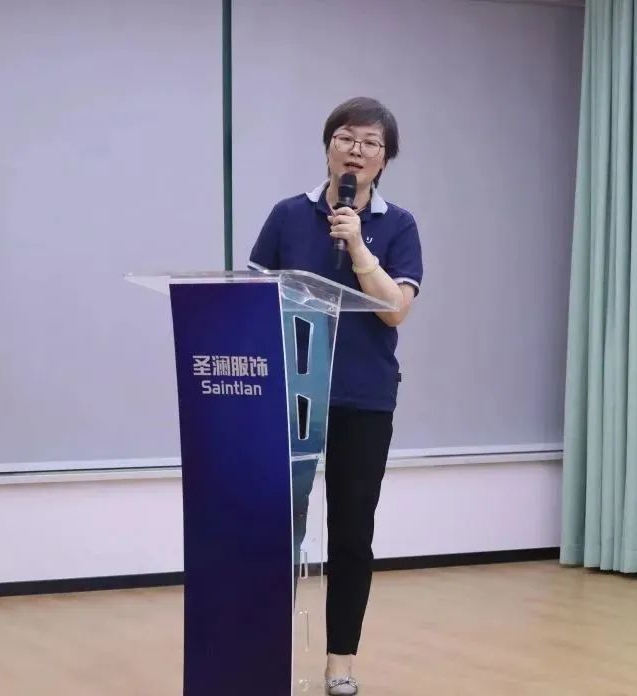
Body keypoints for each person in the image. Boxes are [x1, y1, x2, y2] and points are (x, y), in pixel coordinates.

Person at [248, 96, 423, 696]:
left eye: (371, 143)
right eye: (346, 137)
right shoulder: (287, 215)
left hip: (362, 396)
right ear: (328, 147)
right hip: (289, 395)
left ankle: (339, 662)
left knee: (351, 533)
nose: (356, 150)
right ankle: (262, 649)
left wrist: (358, 246)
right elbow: (251, 301)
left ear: (384, 160)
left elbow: (395, 311)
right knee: (275, 528)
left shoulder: (398, 225)